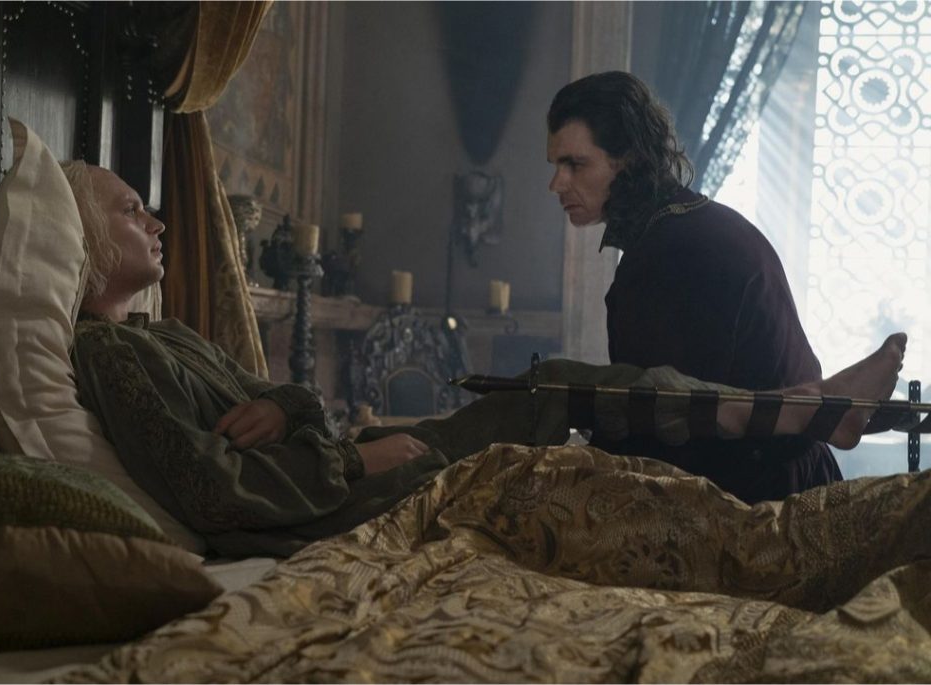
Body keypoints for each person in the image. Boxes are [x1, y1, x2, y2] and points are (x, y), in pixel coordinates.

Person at [62, 161, 905, 559]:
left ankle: (801, 408)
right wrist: (351, 461)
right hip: (331, 498)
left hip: (340, 463)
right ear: (88, 239)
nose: (158, 221)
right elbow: (210, 491)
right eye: (133, 212)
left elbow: (290, 397)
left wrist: (288, 406)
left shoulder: (166, 336)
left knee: (550, 384)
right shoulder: (111, 355)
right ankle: (797, 418)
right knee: (565, 446)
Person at [547, 71, 840, 503]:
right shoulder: (685, 226)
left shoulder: (671, 252)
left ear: (626, 158)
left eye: (575, 164)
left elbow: (665, 425)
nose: (557, 184)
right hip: (772, 478)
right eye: (556, 166)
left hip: (760, 501)